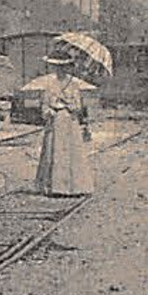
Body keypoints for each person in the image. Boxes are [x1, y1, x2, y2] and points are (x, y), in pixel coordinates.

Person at [35, 50, 94, 197]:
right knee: (54, 153)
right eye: (57, 67)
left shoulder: (73, 84)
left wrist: (68, 104)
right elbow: (44, 106)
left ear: (68, 67)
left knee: (72, 154)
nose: (60, 70)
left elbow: (78, 106)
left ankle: (74, 187)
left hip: (70, 123)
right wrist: (51, 110)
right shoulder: (49, 84)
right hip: (55, 123)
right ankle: (55, 188)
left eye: (64, 66)